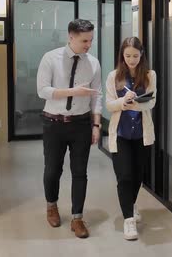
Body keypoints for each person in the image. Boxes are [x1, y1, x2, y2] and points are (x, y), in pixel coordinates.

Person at [36, 19, 102, 239]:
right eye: (84, 40)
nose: (88, 45)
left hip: (81, 124)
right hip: (54, 123)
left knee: (80, 172)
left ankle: (77, 218)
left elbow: (97, 96)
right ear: (70, 37)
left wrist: (96, 124)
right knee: (53, 169)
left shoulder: (93, 62)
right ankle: (51, 205)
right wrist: (71, 91)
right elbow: (42, 90)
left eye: (91, 40)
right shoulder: (50, 58)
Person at [105, 37, 156, 240]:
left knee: (137, 176)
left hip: (141, 135)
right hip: (121, 135)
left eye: (135, 56)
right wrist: (122, 102)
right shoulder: (114, 76)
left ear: (141, 54)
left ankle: (130, 205)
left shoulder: (150, 75)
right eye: (127, 56)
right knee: (124, 176)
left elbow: (151, 103)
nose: (131, 60)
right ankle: (129, 221)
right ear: (122, 55)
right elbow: (109, 105)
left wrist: (136, 103)